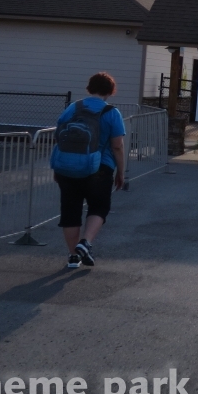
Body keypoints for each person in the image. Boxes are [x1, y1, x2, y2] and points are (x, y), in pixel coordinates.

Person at [54, 72, 125, 269]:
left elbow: (59, 135)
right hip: (100, 168)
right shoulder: (111, 112)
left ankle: (73, 256)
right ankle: (85, 242)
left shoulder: (73, 107)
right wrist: (121, 172)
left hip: (67, 167)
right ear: (111, 91)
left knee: (70, 211)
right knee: (98, 207)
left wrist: (57, 166)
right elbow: (117, 145)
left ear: (89, 88)